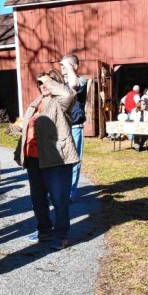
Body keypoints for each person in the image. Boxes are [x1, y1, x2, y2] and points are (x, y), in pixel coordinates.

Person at [14, 70, 78, 250]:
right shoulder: (36, 103)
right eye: (40, 83)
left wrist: (49, 81)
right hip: (34, 158)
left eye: (46, 83)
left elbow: (67, 92)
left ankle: (61, 235)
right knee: (38, 199)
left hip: (56, 158)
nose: (42, 86)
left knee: (59, 199)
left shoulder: (61, 102)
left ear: (54, 83)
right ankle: (44, 230)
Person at [59, 54, 87, 200]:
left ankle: (71, 192)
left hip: (75, 127)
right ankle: (60, 191)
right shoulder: (59, 82)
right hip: (60, 127)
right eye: (61, 66)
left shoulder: (81, 80)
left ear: (75, 66)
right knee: (60, 161)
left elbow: (73, 85)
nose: (62, 68)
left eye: (66, 65)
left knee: (74, 161)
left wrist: (69, 68)